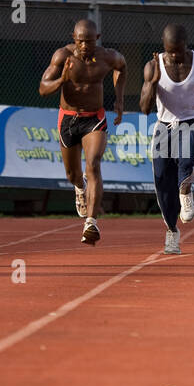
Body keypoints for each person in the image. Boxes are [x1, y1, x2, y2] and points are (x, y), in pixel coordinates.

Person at [38, 18, 126, 244]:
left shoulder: (107, 56)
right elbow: (42, 88)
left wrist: (119, 100)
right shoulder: (62, 56)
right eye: (80, 42)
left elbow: (122, 67)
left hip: (94, 119)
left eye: (89, 41)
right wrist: (62, 80)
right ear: (73, 38)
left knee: (93, 164)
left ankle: (91, 223)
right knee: (73, 175)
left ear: (97, 39)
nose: (84, 46)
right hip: (68, 119)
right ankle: (80, 187)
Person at [139, 23, 194, 254]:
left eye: (179, 50)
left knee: (186, 163)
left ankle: (186, 192)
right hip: (164, 125)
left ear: (186, 45)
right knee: (162, 178)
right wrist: (152, 83)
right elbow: (144, 109)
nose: (175, 56)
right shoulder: (153, 66)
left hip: (192, 120)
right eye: (170, 51)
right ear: (163, 47)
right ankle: (172, 231)